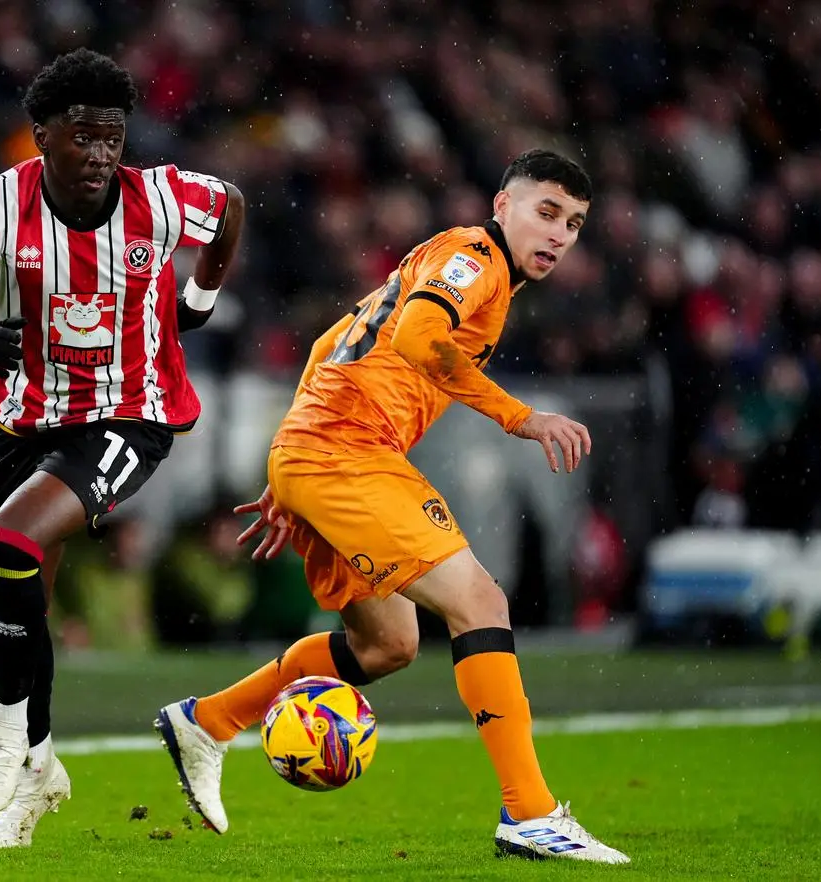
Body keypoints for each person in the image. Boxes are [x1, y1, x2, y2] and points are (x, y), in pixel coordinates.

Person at [156, 150, 629, 864]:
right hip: (348, 450)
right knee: (481, 603)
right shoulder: (475, 259)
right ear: (502, 207)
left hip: (322, 451)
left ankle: (209, 720)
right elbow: (414, 336)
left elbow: (328, 345)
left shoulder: (454, 263)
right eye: (546, 211)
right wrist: (518, 417)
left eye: (574, 223)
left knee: (388, 646)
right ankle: (529, 814)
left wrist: (291, 469)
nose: (560, 234)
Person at [0, 48, 244, 848]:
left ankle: (7, 733)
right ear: (42, 136)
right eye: (83, 136)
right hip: (24, 420)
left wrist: (201, 297)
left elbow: (231, 208)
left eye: (113, 137)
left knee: (6, 541)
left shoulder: (158, 198)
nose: (101, 154)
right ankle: (41, 770)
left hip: (131, 413)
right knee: (18, 597)